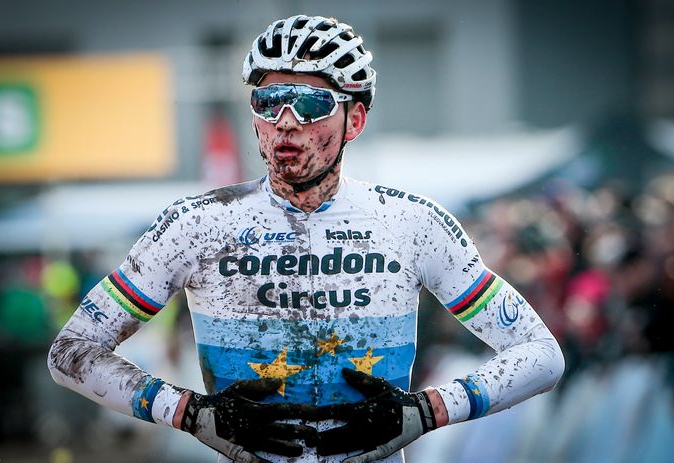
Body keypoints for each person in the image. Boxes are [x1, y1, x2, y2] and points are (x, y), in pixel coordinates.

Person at [48, 14, 565, 463]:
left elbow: (541, 355)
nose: (286, 124)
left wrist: (425, 412)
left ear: (354, 119)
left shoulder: (413, 225)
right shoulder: (197, 224)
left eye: (310, 105)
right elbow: (70, 351)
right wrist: (192, 414)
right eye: (269, 101)